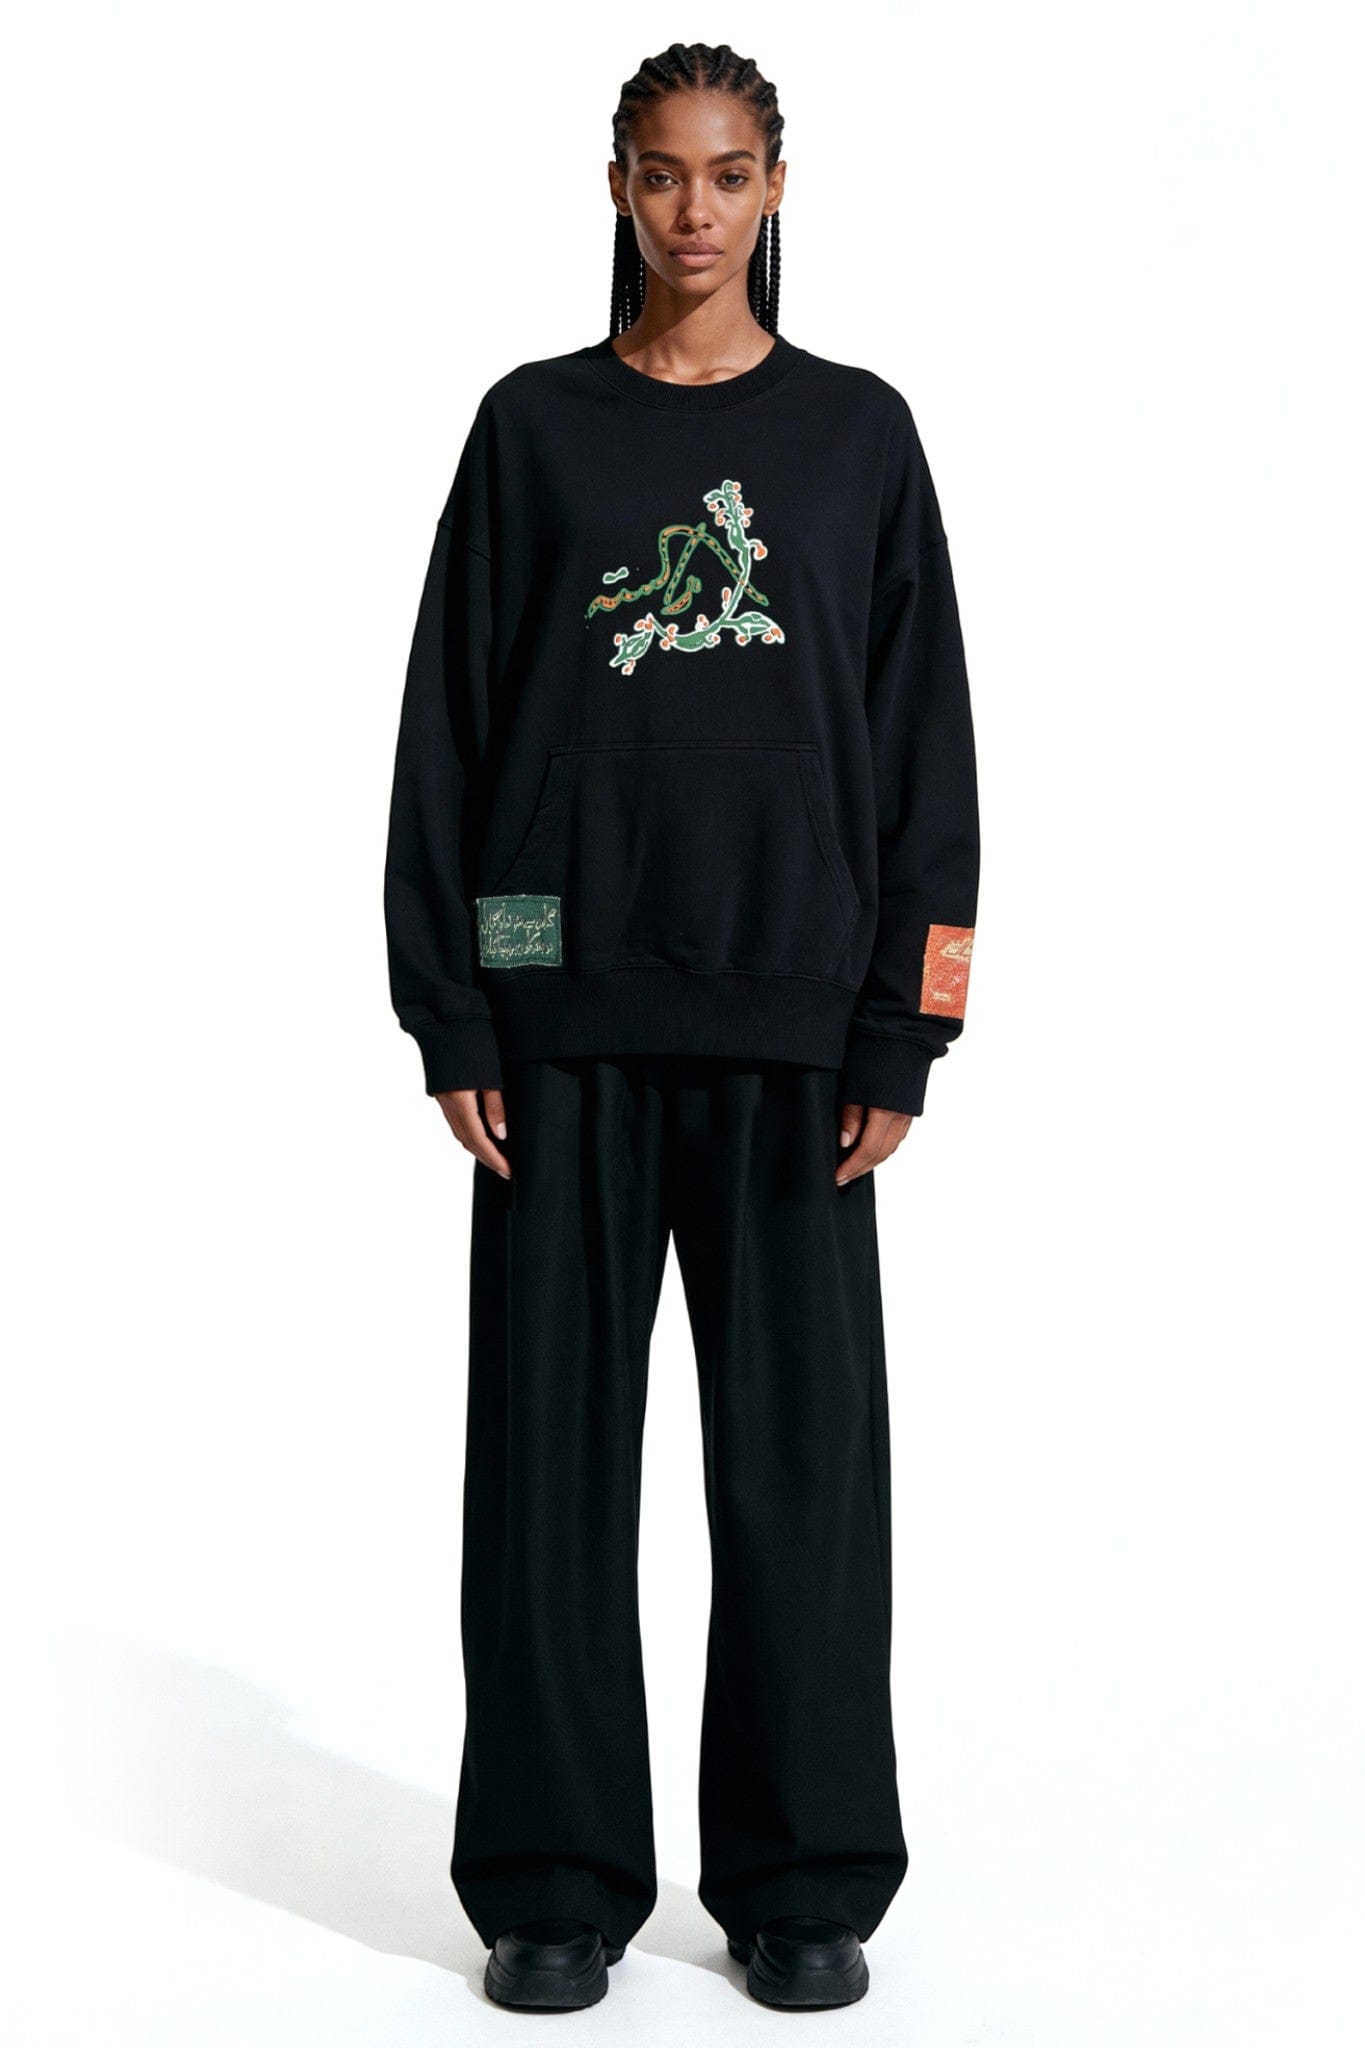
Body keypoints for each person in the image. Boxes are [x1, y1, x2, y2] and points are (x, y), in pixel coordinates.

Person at [383, 39, 980, 2015]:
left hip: (798, 1036)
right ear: (616, 187)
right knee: (545, 1475)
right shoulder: (532, 431)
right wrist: (463, 1003)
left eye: (727, 174)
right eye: (660, 173)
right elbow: (456, 731)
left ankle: (801, 1877)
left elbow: (923, 748)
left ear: (777, 186)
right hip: (559, 1026)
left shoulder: (856, 437)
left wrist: (901, 1027)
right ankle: (551, 1878)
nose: (693, 210)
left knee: (800, 1483)